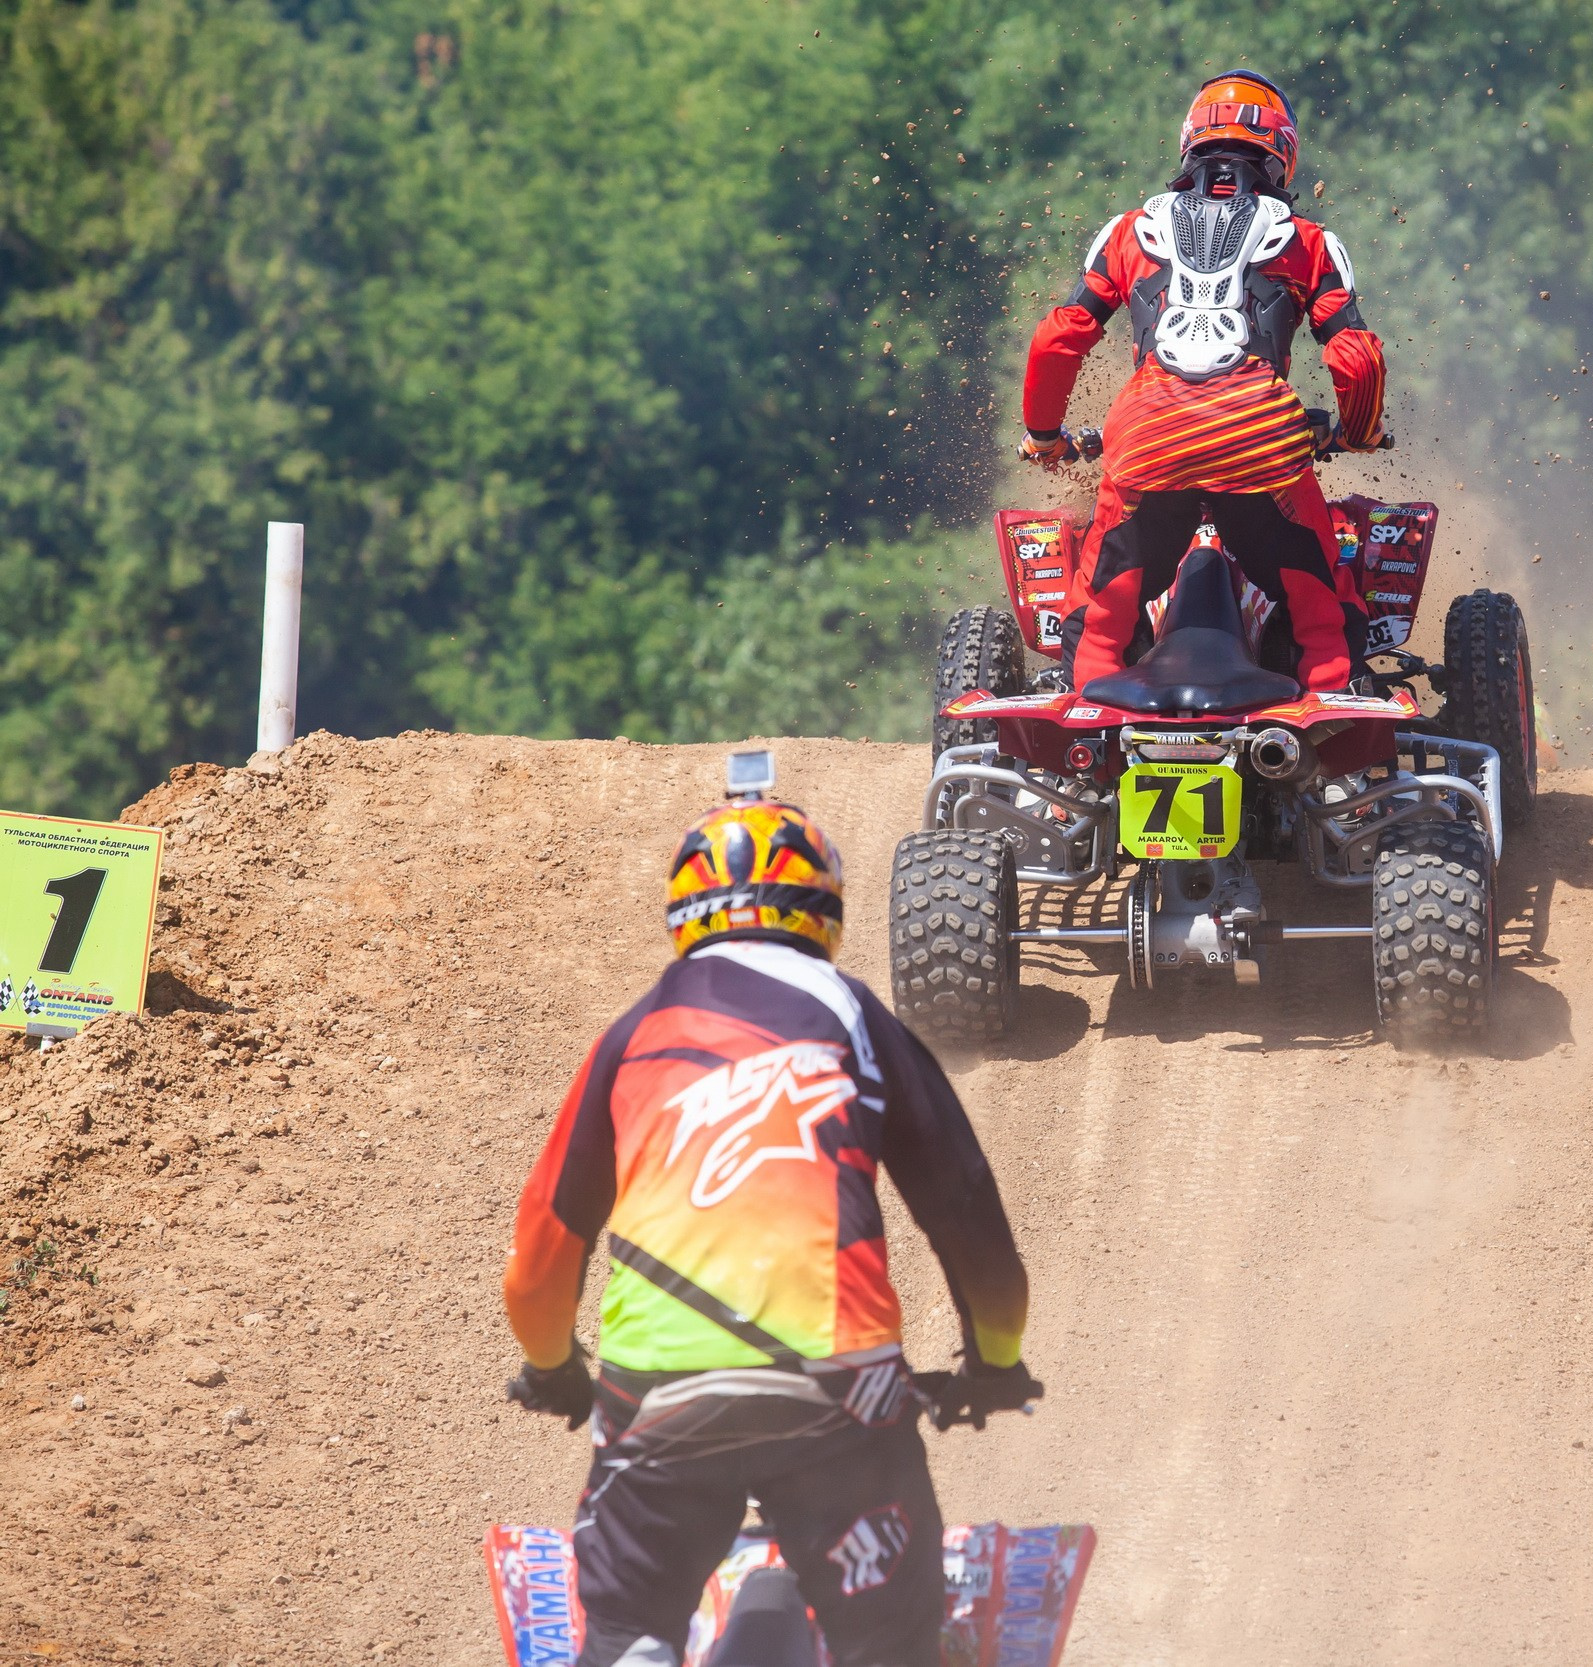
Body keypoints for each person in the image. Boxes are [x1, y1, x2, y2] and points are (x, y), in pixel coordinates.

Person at [500, 786, 1037, 1667]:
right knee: (891, 1645)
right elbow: (966, 1208)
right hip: (837, 1389)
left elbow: (542, 1253)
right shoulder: (856, 1014)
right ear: (825, 911)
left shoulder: (631, 1036)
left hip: (657, 1394)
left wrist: (554, 1366)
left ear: (683, 914)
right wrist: (996, 1360)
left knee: (628, 1630)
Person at [1020, 69, 1389, 696]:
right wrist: (1357, 431)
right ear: (1284, 154)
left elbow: (1058, 338)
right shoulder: (1308, 242)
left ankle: (1076, 764)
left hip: (1146, 439)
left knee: (1100, 623)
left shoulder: (1128, 232)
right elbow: (1355, 359)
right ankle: (1340, 762)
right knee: (1324, 620)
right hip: (1260, 441)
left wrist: (1045, 434)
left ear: (1189, 143)